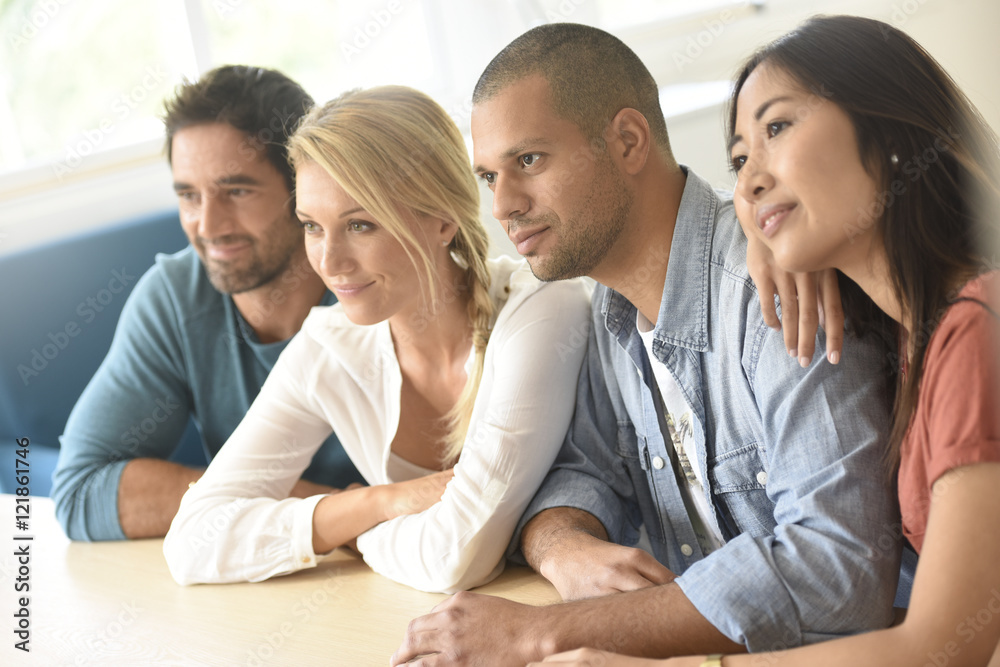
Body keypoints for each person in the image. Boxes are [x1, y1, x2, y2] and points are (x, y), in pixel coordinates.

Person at [391, 22, 911, 666]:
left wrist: (547, 632)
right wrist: (565, 551)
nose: (504, 206)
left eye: (528, 161)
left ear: (629, 141)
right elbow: (578, 471)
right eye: (488, 176)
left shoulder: (776, 283)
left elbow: (838, 569)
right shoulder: (609, 305)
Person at [534, 14, 1000, 667]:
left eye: (777, 127)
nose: (747, 181)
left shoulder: (977, 329)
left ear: (888, 127)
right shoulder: (912, 334)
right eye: (739, 157)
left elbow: (941, 649)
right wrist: (770, 231)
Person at [162, 86, 592, 593]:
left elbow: (455, 558)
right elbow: (191, 541)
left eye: (359, 224)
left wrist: (357, 536)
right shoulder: (329, 348)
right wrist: (375, 503)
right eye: (312, 226)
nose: (329, 261)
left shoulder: (539, 309)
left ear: (442, 220)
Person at [51, 66, 365, 542]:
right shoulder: (176, 297)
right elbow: (80, 492)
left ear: (303, 187)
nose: (208, 225)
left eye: (236, 191)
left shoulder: (376, 280)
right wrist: (337, 511)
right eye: (189, 196)